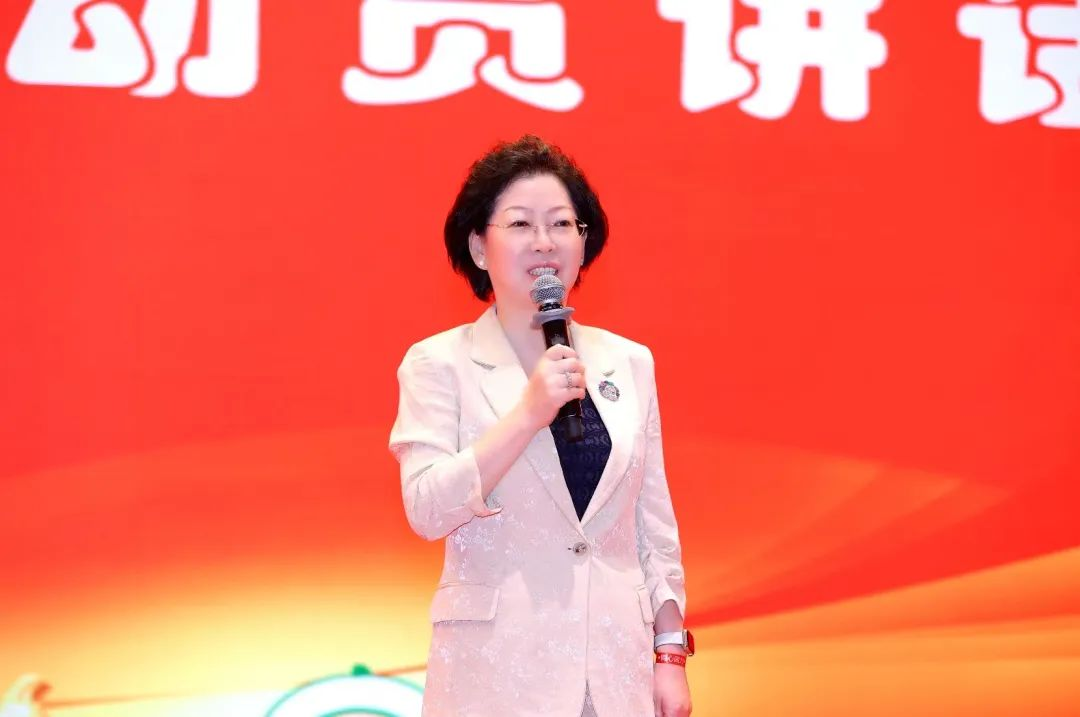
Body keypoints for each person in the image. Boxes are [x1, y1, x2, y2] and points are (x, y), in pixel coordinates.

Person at [389, 135, 692, 717]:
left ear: (583, 242)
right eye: (521, 224)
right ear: (479, 247)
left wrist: (669, 652)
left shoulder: (628, 361)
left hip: (615, 671)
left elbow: (652, 524)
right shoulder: (437, 363)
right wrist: (528, 413)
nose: (544, 241)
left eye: (561, 224)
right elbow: (427, 508)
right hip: (495, 675)